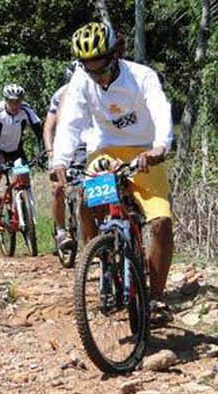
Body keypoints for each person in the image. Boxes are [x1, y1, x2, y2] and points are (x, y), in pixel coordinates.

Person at [50, 22, 174, 322]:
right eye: (89, 69)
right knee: (86, 205)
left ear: (114, 55)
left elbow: (159, 109)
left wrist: (159, 147)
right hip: (104, 153)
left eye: (101, 67)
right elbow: (70, 122)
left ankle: (156, 298)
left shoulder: (141, 76)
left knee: (161, 223)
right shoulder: (81, 81)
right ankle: (103, 258)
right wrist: (60, 161)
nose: (98, 75)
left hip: (145, 154)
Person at [43, 62, 91, 250]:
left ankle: (92, 242)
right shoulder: (60, 94)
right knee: (58, 188)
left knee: (87, 192)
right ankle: (61, 231)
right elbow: (49, 127)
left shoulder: (97, 89)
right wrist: (51, 153)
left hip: (90, 146)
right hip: (66, 147)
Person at [0, 83, 44, 216]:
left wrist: (41, 153)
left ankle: (26, 210)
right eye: (12, 102)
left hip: (16, 149)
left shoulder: (26, 110)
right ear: (6, 100)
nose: (15, 105)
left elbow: (40, 133)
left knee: (23, 177)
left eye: (18, 101)